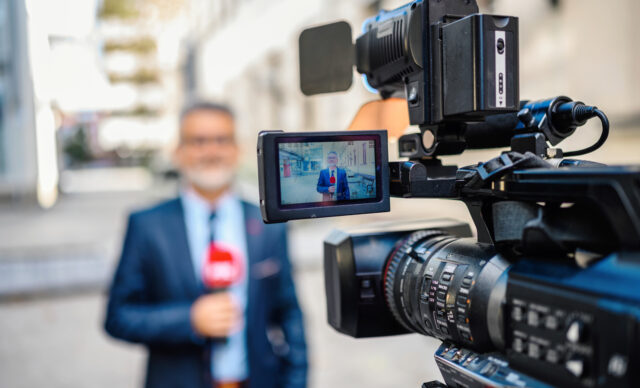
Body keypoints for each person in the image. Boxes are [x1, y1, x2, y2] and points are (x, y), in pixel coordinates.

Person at [104, 102, 308, 388]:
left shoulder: (268, 224)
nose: (211, 151)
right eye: (198, 141)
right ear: (179, 152)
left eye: (221, 140)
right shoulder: (147, 226)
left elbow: (289, 313)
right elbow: (118, 317)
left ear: (237, 150)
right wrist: (189, 319)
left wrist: (297, 382)